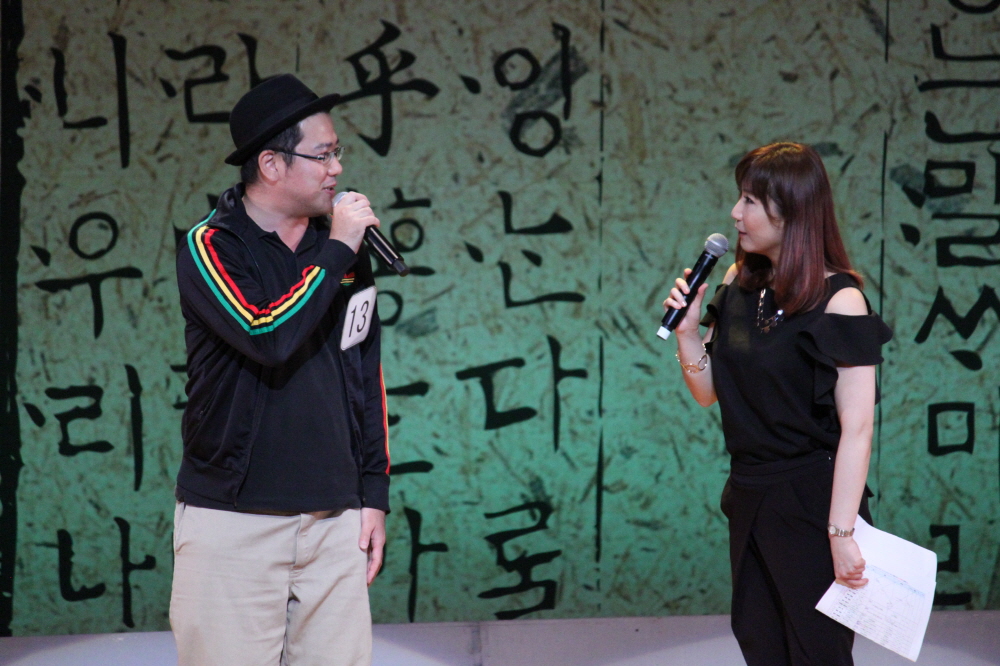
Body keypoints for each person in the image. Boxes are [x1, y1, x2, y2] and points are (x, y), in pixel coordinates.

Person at [171, 74, 390, 666]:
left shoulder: (341, 249)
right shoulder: (212, 246)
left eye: (337, 153)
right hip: (234, 524)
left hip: (335, 520)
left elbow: (364, 369)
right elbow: (267, 334)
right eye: (322, 155)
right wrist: (337, 251)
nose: (336, 170)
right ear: (270, 164)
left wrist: (373, 494)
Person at [662, 142, 892, 666]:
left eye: (749, 201)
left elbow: (858, 428)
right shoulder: (737, 282)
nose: (734, 213)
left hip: (814, 502)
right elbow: (708, 393)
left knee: (816, 652)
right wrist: (688, 334)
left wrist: (841, 534)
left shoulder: (841, 300)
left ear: (791, 212)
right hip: (749, 494)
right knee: (760, 644)